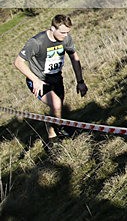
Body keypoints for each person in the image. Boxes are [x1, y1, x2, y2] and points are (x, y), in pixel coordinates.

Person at [14, 14, 88, 145]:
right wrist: (35, 80)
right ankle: (61, 130)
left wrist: (80, 81)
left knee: (56, 108)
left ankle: (52, 139)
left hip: (56, 79)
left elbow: (74, 57)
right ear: (52, 28)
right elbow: (18, 62)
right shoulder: (36, 42)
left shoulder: (66, 38)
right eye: (63, 32)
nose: (66, 36)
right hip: (38, 81)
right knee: (56, 104)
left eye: (68, 32)